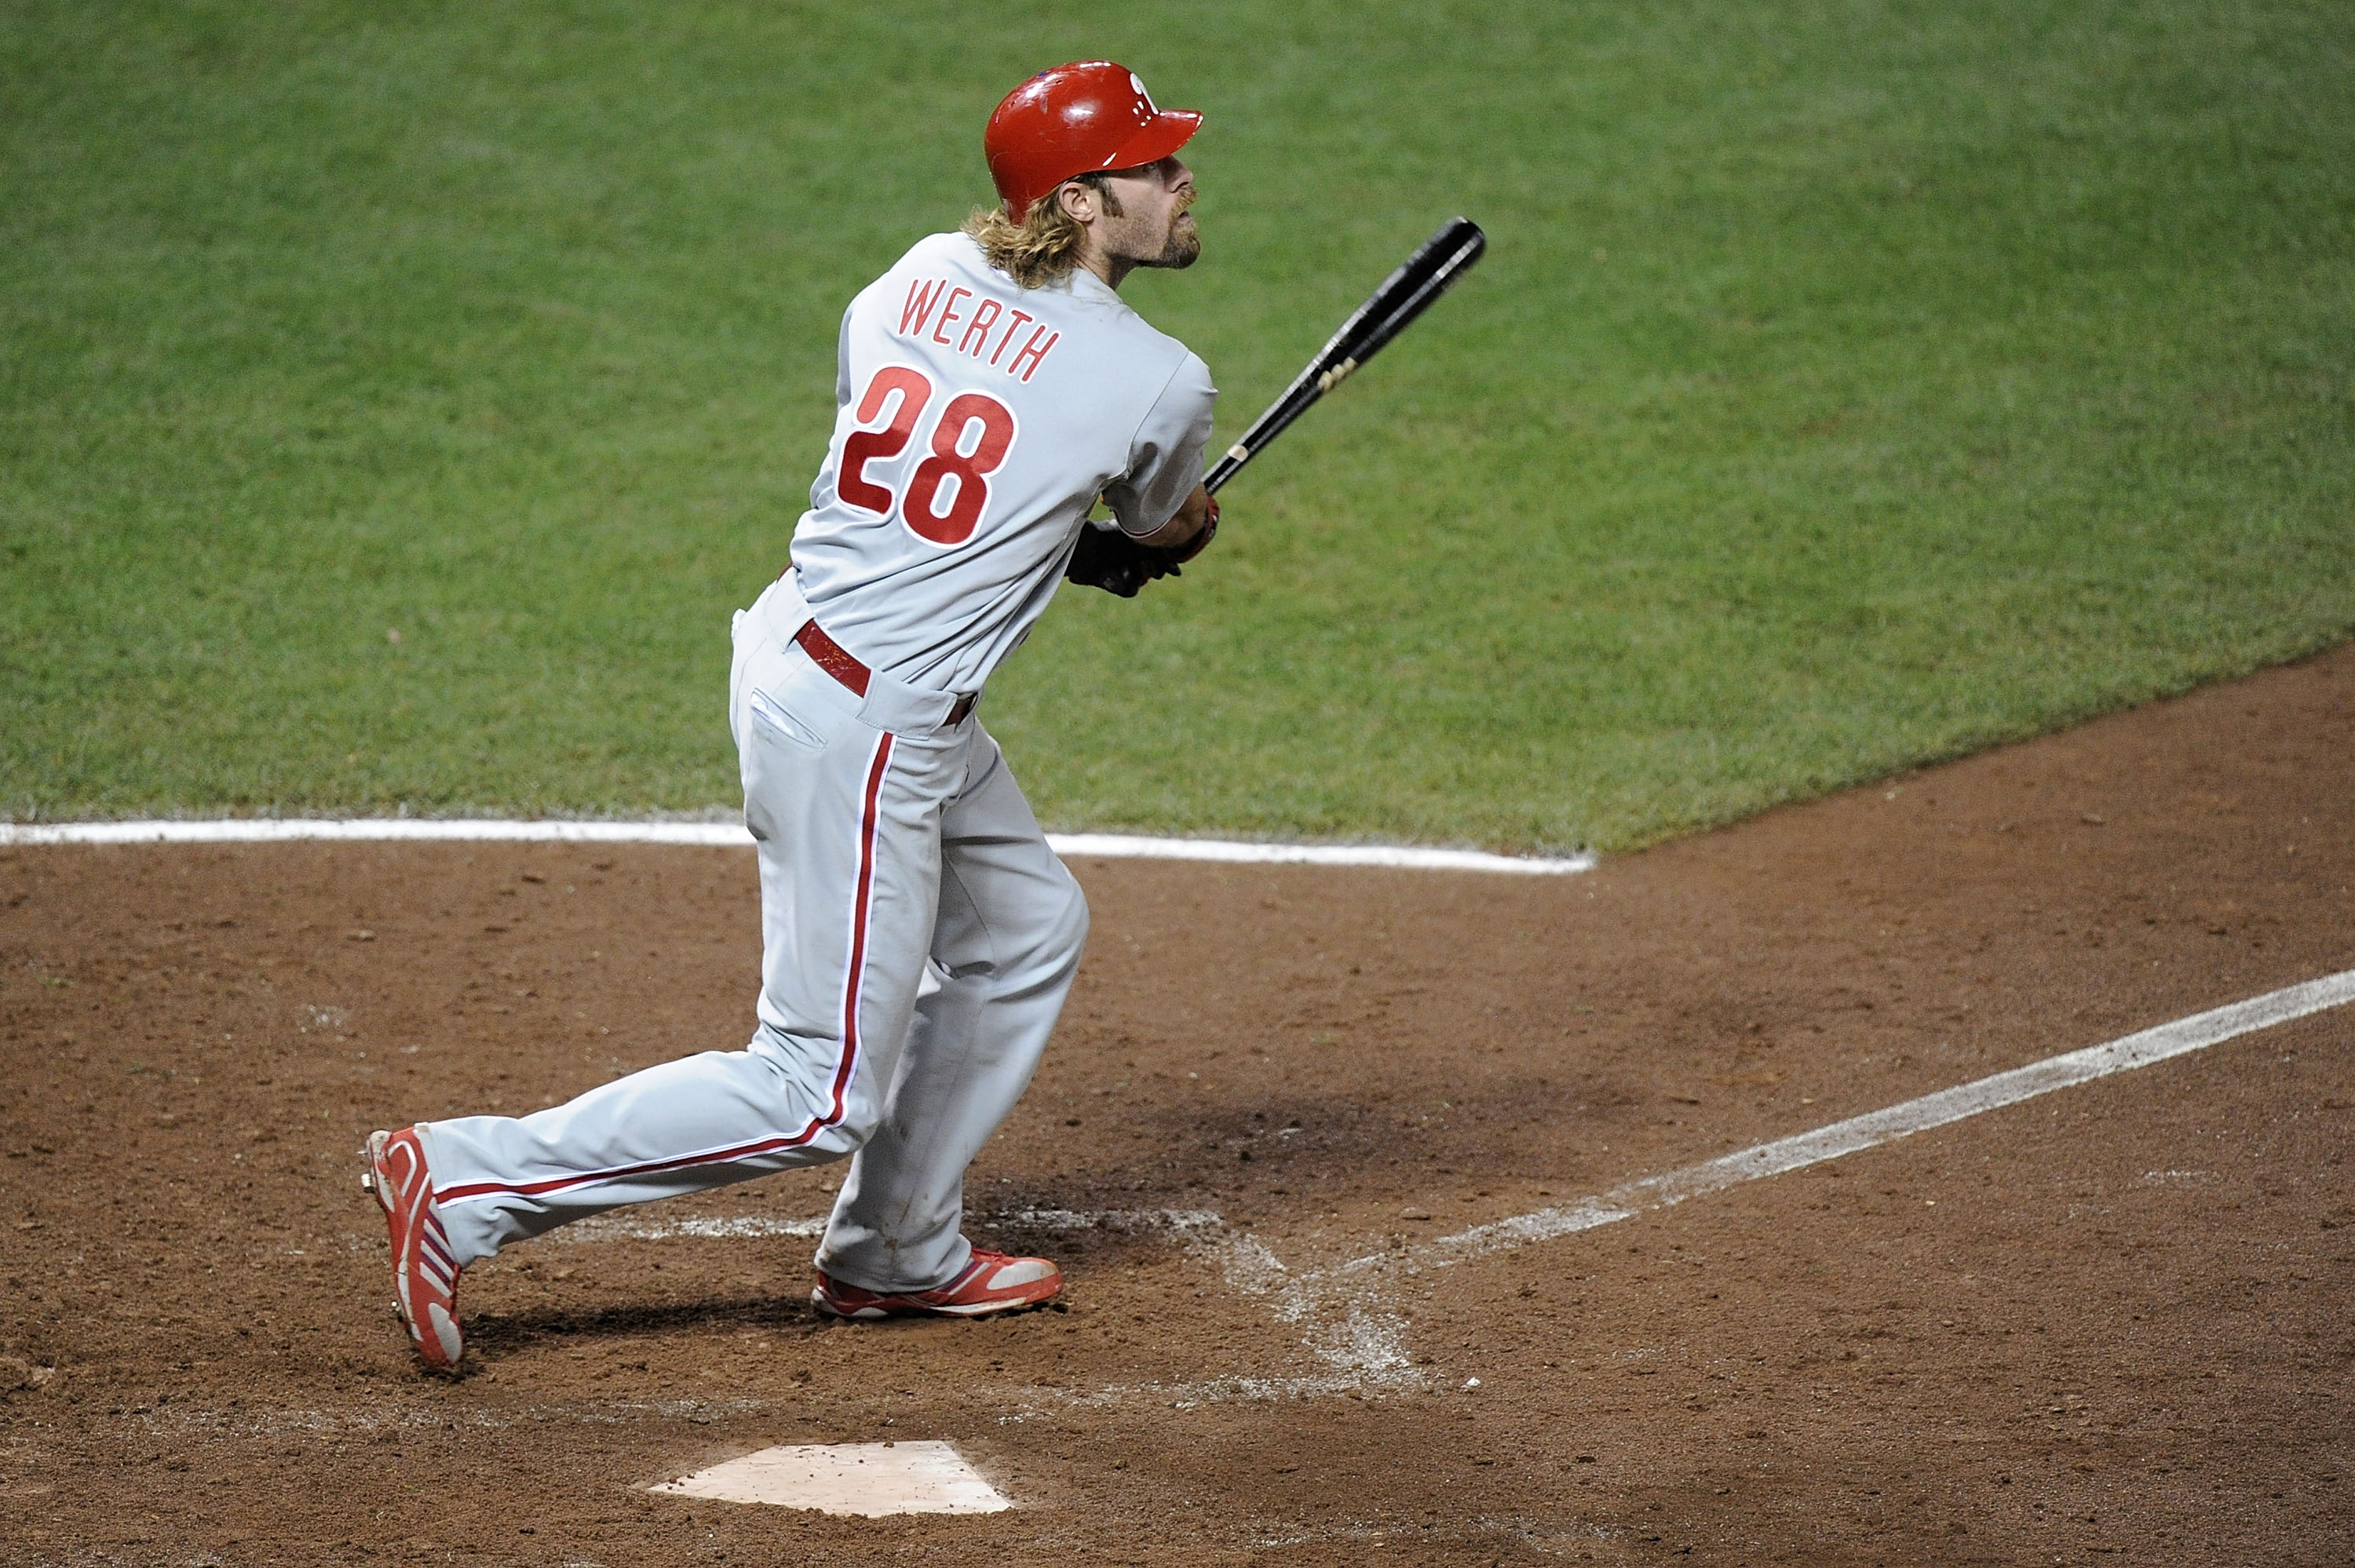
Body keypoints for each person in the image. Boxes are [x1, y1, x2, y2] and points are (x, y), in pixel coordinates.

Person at [361, 60, 1220, 1370]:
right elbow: (1161, 519)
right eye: (1154, 166)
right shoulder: (1158, 379)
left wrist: (1072, 539)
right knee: (815, 1087)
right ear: (1086, 199)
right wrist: (1156, 531)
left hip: (794, 647)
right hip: (874, 727)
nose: (1178, 179)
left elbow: (948, 473)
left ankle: (894, 1248)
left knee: (1027, 926)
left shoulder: (918, 270)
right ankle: (469, 1184)